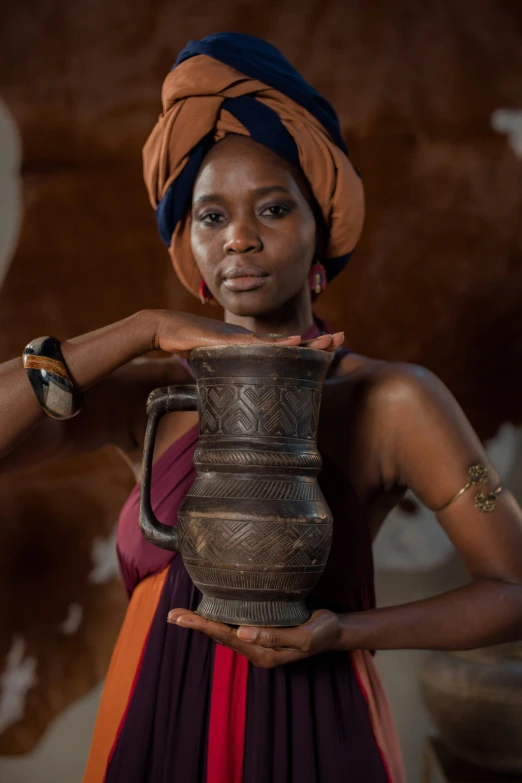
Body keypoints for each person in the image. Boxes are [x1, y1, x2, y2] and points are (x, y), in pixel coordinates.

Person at [1, 32, 522, 783]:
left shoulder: (392, 401)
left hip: (317, 730)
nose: (240, 236)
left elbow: (512, 588)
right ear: (192, 251)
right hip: (154, 722)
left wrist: (348, 631)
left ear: (321, 235)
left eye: (272, 208)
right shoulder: (151, 393)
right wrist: (139, 329)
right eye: (211, 217)